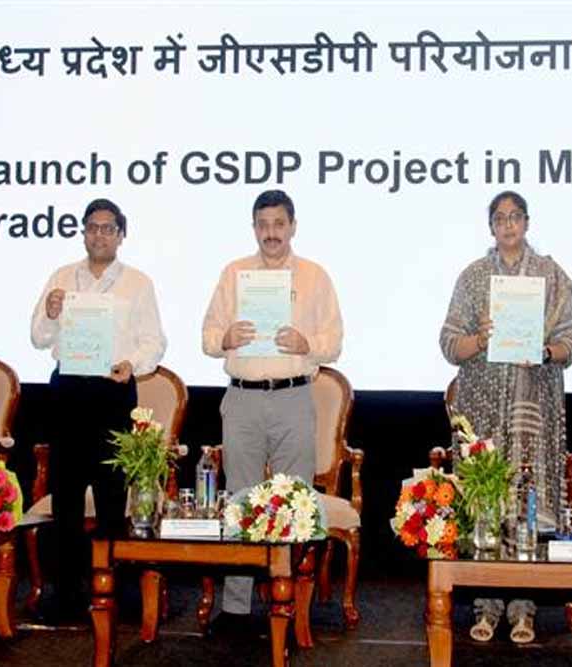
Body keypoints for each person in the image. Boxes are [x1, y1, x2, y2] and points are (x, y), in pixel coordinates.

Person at [439, 190, 572, 643]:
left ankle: (524, 609)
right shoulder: (473, 277)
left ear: (527, 222)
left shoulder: (551, 276)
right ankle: (486, 606)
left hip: (533, 407)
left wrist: (544, 350)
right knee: (487, 505)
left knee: (526, 505)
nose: (508, 225)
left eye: (515, 217)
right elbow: (448, 344)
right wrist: (479, 340)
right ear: (491, 226)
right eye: (499, 218)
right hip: (482, 407)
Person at [202, 189, 343, 626]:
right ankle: (236, 607)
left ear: (293, 226)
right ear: (253, 228)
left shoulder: (315, 276)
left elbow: (334, 342)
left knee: (293, 501)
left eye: (279, 224)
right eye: (263, 225)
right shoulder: (234, 273)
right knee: (239, 499)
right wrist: (225, 338)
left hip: (293, 397)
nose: (271, 233)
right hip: (242, 397)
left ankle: (290, 608)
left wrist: (307, 343)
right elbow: (207, 336)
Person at [30, 197, 167, 619]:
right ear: (83, 232)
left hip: (113, 391)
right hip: (68, 391)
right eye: (92, 227)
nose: (99, 235)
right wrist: (50, 313)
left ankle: (113, 588)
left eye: (108, 228)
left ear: (121, 235)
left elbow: (154, 342)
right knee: (66, 496)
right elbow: (38, 337)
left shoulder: (138, 283)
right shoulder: (61, 277)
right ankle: (66, 593)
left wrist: (133, 365)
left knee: (112, 496)